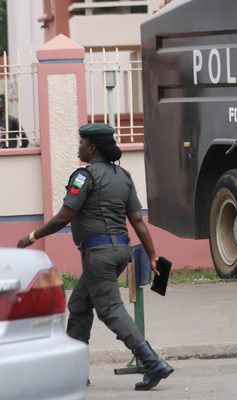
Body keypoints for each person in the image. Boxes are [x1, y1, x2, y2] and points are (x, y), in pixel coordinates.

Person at [16, 123, 174, 391]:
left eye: (81, 143)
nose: (78, 147)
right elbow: (138, 221)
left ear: (92, 148)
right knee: (78, 305)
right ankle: (74, 371)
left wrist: (32, 236)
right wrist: (153, 255)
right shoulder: (123, 176)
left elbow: (66, 215)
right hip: (120, 252)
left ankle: (152, 362)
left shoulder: (84, 176)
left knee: (110, 309)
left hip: (98, 254)